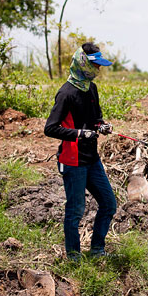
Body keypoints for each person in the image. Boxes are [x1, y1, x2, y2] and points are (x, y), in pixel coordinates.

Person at [44, 42, 118, 260]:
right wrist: (79, 134)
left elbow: (95, 120)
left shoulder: (91, 88)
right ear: (83, 62)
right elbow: (50, 128)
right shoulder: (66, 93)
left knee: (108, 203)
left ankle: (97, 251)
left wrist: (102, 126)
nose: (99, 69)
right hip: (72, 160)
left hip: (91, 159)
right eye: (96, 65)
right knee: (76, 210)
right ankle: (74, 257)